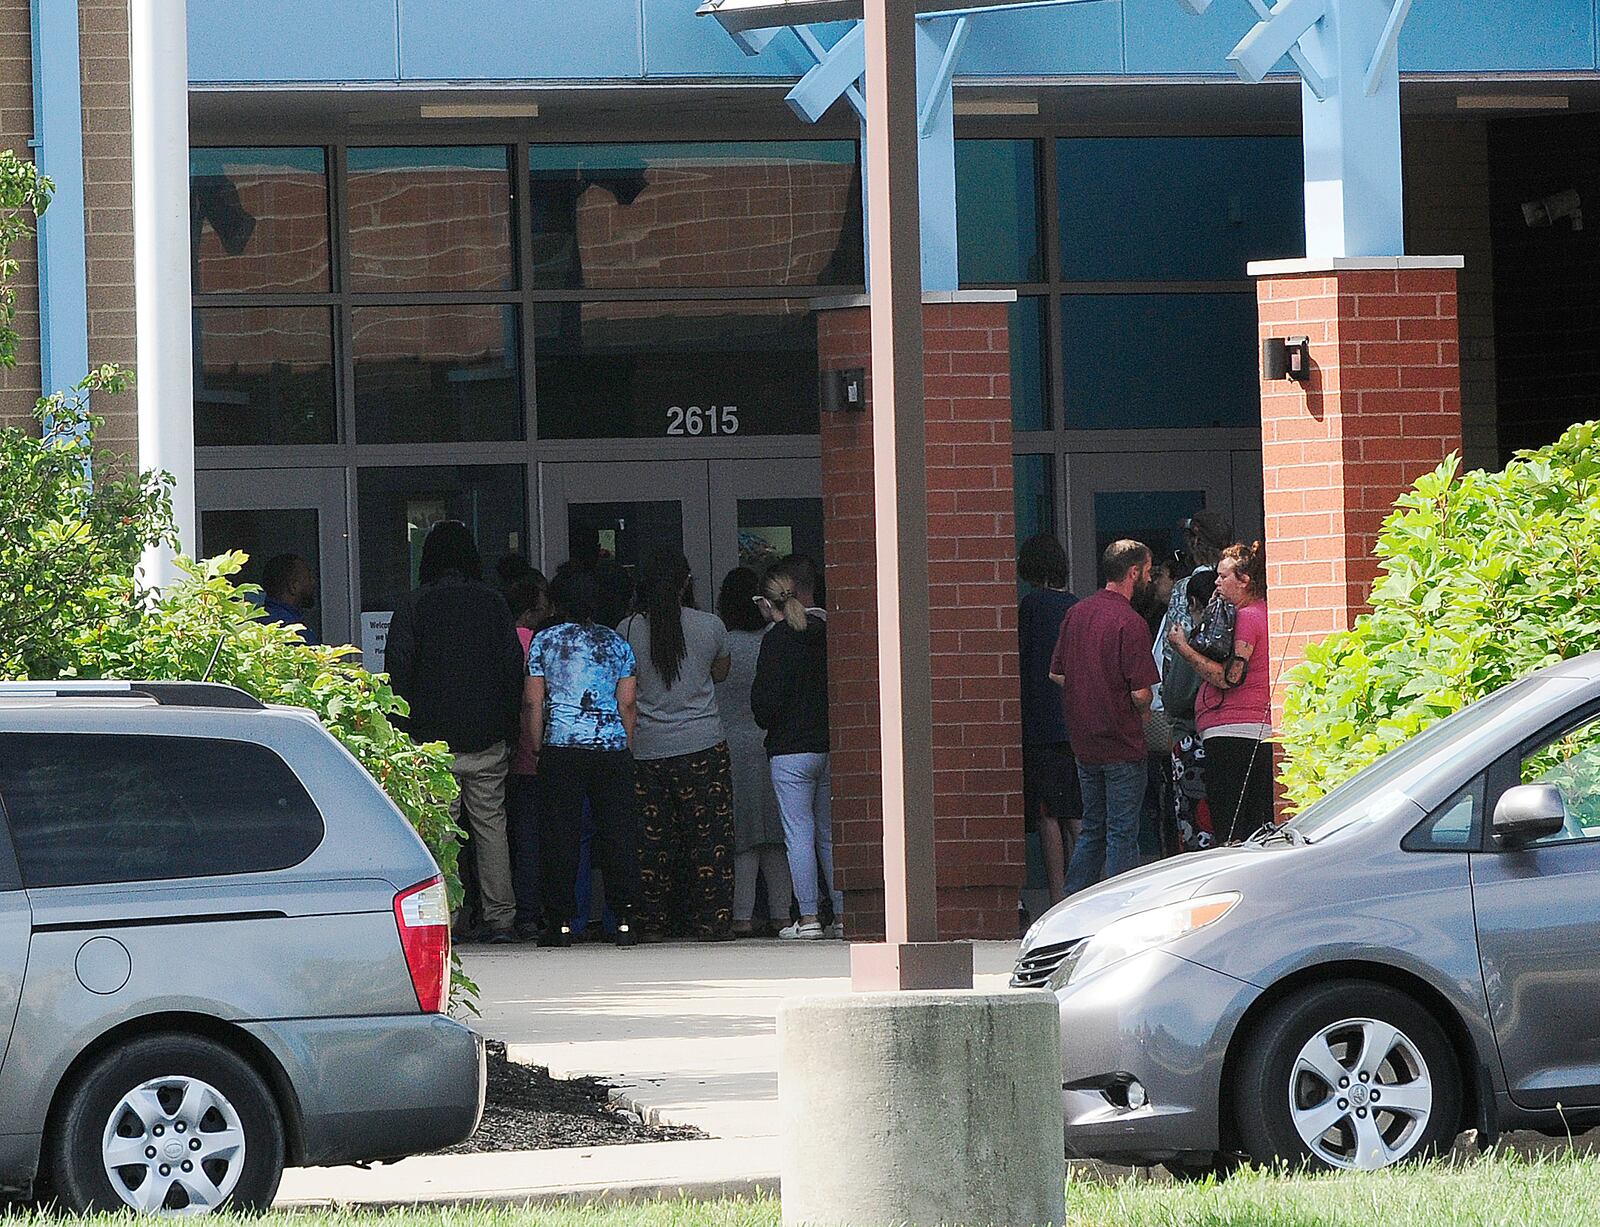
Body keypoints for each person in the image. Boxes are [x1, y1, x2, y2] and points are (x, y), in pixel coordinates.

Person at [386, 521, 524, 944]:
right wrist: (507, 725)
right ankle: (501, 917)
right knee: (490, 826)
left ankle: (447, 919)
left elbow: (398, 671)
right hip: (486, 735)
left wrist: (402, 730)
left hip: (430, 741)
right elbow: (511, 667)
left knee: (440, 832)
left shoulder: (415, 604)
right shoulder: (494, 603)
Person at [619, 550, 737, 941]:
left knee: (653, 843)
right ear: (686, 582)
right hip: (703, 745)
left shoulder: (628, 629)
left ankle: (653, 923)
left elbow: (626, 691)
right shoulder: (711, 626)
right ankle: (712, 922)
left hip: (648, 749)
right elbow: (719, 673)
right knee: (709, 839)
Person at [525, 567, 641, 947]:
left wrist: (538, 744)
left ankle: (560, 923)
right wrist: (625, 743)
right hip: (610, 748)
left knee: (560, 837)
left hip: (562, 746)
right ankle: (623, 919)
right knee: (618, 835)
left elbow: (533, 700)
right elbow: (627, 703)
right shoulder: (617, 644)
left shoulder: (545, 641)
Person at [1049, 539, 1160, 894]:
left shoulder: (1077, 613)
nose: (1149, 577)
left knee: (1093, 829)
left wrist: (1088, 690)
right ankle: (1118, 910)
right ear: (1133, 572)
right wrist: (1143, 713)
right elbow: (1141, 693)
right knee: (1122, 833)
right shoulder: (1131, 621)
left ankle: (1072, 908)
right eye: (1147, 570)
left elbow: (1058, 674)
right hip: (1122, 742)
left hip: (1085, 743)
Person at [751, 555, 840, 941]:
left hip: (789, 751)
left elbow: (764, 706)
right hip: (826, 743)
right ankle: (843, 913)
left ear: (767, 604)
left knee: (798, 834)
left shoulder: (774, 641)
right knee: (828, 834)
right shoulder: (823, 631)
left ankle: (808, 918)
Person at [1168, 541, 1273, 843]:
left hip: (1237, 732)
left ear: (1245, 580)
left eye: (1224, 576)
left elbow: (1230, 677)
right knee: (1250, 820)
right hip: (1241, 730)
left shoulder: (1248, 616)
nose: (1216, 582)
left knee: (1233, 826)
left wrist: (1184, 650)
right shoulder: (1251, 613)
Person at [716, 566, 794, 937]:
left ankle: (742, 915)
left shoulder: (722, 643)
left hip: (730, 743)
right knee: (777, 835)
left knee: (742, 835)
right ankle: (783, 913)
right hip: (772, 741)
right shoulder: (776, 639)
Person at [1016, 533, 1081, 906]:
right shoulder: (1075, 607)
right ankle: (1087, 887)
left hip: (1039, 723)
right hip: (1072, 719)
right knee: (1076, 811)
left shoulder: (1030, 608)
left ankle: (1058, 896)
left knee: (1047, 815)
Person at [505, 570, 552, 940]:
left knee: (518, 837)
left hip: (513, 751)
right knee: (541, 836)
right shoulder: (538, 643)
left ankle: (523, 911)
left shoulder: (501, 641)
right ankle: (540, 909)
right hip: (540, 750)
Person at [1163, 569, 1216, 853]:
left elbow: (1175, 696)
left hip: (1190, 740)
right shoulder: (1232, 634)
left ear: (1193, 603)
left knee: (1194, 822)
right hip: (1222, 736)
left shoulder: (1195, 642)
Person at [1154, 510, 1232, 684]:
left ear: (1195, 542)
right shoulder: (1239, 583)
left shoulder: (1183, 588)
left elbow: (1171, 649)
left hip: (1194, 690)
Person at [259, 553, 319, 645]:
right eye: (309, 578)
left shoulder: (257, 621)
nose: (313, 583)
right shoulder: (295, 632)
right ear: (293, 587)